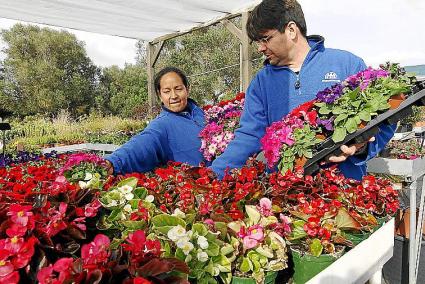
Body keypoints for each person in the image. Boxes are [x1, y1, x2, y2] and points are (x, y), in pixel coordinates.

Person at [211, 0, 395, 180]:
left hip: (345, 190)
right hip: (287, 192)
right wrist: (212, 174)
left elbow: (386, 118)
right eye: (257, 42)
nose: (260, 48)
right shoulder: (261, 83)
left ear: (291, 30)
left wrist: (360, 146)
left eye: (265, 39)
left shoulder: (346, 64)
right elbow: (249, 136)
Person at [105, 67, 209, 174]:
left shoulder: (203, 114)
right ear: (160, 95)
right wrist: (114, 162)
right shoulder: (161, 124)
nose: (173, 96)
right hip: (198, 186)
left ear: (187, 89)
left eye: (178, 89)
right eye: (167, 91)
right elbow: (142, 144)